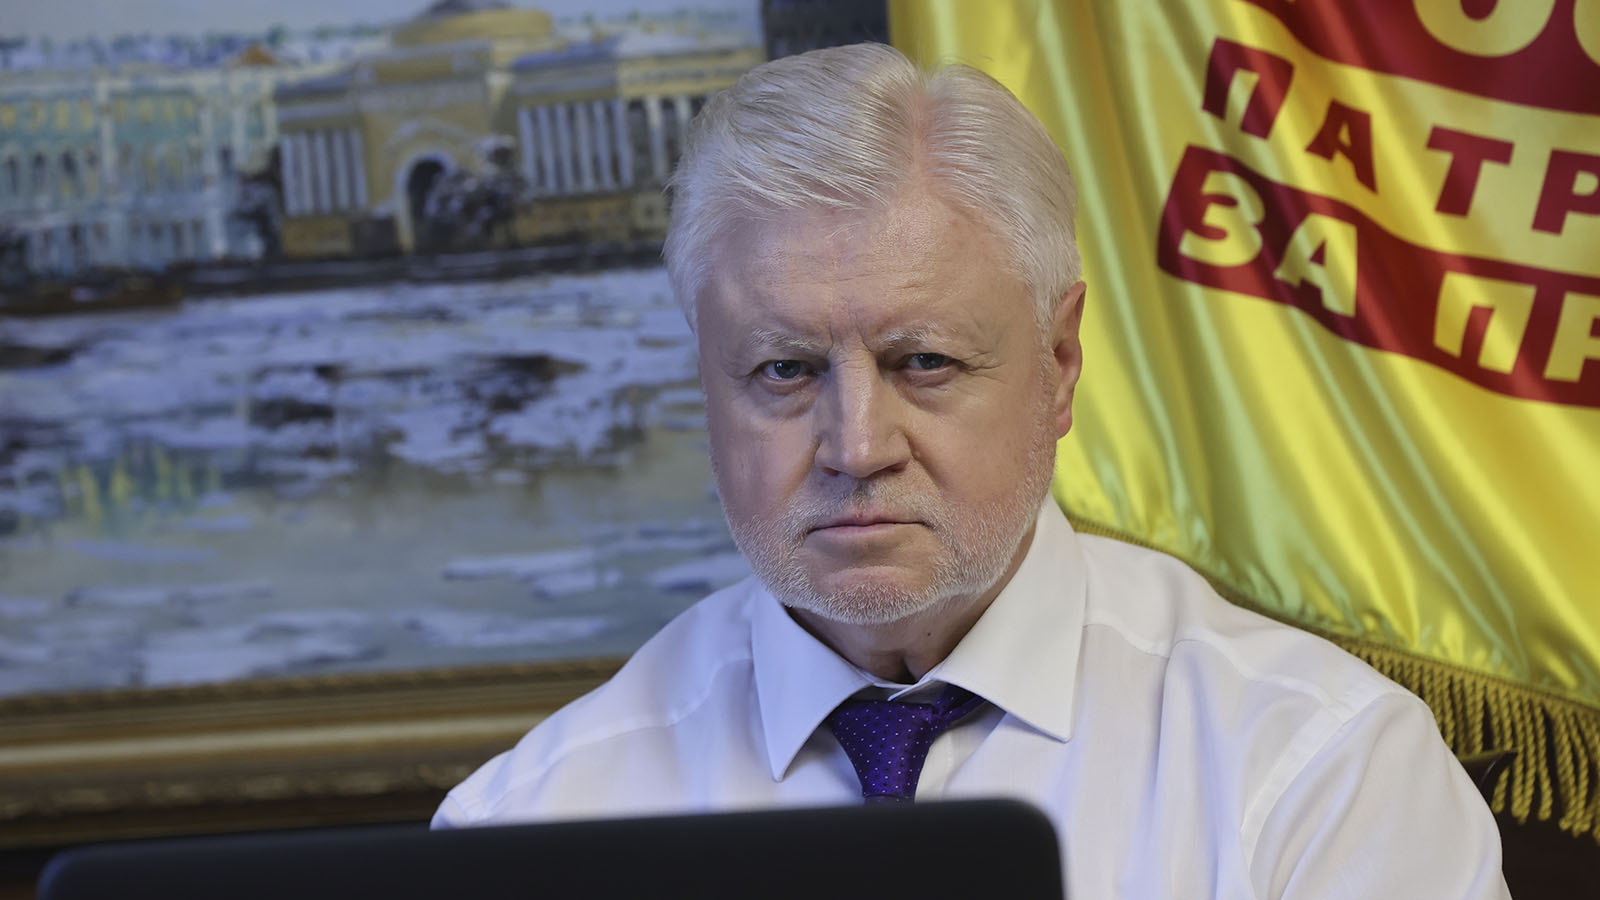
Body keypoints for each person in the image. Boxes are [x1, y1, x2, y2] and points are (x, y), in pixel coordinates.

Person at [434, 43, 1509, 898]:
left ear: (1060, 363)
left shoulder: (1319, 772)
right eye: (784, 370)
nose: (858, 447)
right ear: (705, 383)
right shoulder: (527, 829)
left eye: (925, 363)